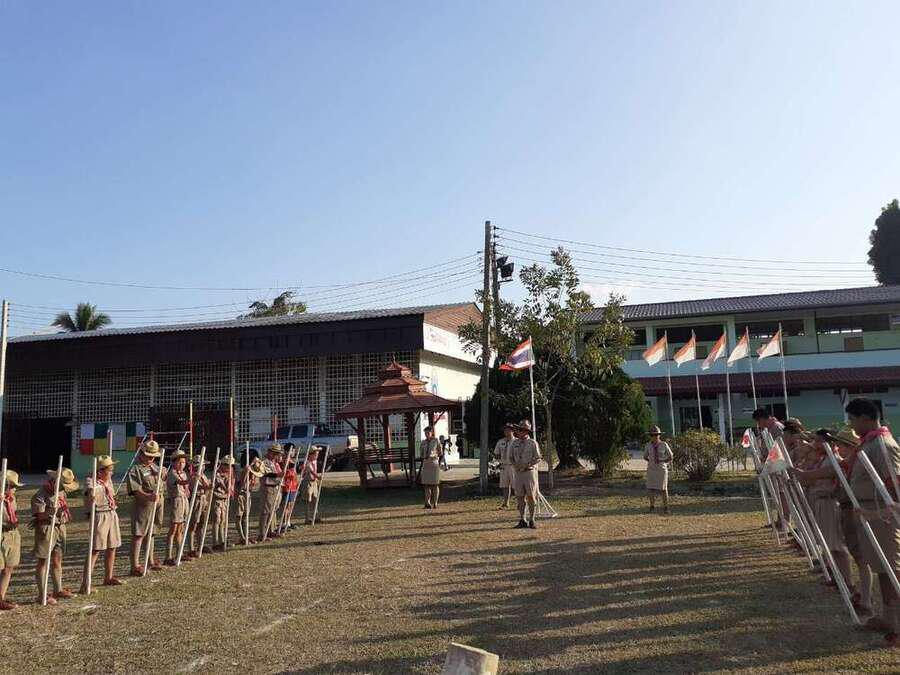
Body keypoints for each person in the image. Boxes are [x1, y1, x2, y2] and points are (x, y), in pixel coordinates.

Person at [792, 428, 873, 617]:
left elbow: (818, 475)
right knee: (846, 550)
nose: (837, 447)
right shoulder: (844, 462)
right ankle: (857, 592)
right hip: (845, 508)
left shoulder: (846, 462)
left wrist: (799, 472)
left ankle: (863, 596)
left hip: (851, 509)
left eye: (841, 444)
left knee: (856, 555)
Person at [844, 398, 900, 646]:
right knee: (881, 568)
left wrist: (886, 513)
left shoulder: (882, 444)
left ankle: (896, 622)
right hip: (869, 512)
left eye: (853, 420)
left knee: (891, 569)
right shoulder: (869, 443)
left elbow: (895, 484)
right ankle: (889, 618)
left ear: (866, 418)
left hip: (882, 515)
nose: (851, 425)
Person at [32, 466, 79, 604]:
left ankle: (58, 590)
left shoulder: (61, 492)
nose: (64, 488)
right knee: (43, 560)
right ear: (54, 481)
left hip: (60, 527)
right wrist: (49, 512)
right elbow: (39, 515)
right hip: (46, 528)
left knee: (57, 559)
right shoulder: (41, 493)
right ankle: (42, 594)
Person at [80, 455, 123, 593]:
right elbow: (88, 490)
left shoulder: (108, 481)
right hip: (99, 515)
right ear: (100, 471)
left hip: (111, 512)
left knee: (112, 546)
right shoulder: (90, 480)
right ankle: (85, 583)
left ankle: (108, 577)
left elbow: (110, 494)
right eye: (110, 470)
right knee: (95, 549)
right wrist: (91, 494)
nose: (112, 473)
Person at [126, 440, 165, 576]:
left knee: (151, 533)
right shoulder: (135, 469)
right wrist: (148, 496)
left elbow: (163, 480)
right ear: (141, 454)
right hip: (143, 504)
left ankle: (150, 560)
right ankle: (135, 565)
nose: (151, 459)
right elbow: (135, 490)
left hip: (158, 502)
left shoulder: (156, 468)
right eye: (148, 456)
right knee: (139, 534)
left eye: (153, 456)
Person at [510, 420, 542, 529]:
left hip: (529, 473)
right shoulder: (514, 443)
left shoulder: (532, 443)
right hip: (518, 473)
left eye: (522, 430)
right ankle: (522, 519)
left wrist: (528, 465)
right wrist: (515, 465)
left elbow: (538, 458)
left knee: (531, 496)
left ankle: (532, 519)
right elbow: (511, 457)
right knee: (519, 497)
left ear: (527, 431)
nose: (519, 432)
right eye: (519, 429)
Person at [1, 469, 23, 610]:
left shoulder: (12, 499)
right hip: (1, 533)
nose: (15, 489)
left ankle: (1, 597)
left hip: (12, 534)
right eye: (13, 486)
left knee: (9, 567)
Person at [164, 450, 190, 565]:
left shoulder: (184, 473)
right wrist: (192, 478)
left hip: (184, 500)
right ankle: (168, 556)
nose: (181, 464)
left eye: (183, 462)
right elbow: (180, 482)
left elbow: (186, 485)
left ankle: (180, 553)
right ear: (174, 462)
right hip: (176, 501)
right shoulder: (172, 474)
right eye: (179, 462)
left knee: (181, 528)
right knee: (173, 529)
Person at [643, 426, 673, 514]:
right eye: (652, 435)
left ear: (659, 435)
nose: (654, 436)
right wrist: (652, 461)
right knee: (650, 488)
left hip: (661, 469)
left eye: (656, 435)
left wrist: (663, 461)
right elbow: (645, 456)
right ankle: (652, 507)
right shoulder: (648, 445)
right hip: (651, 469)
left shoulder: (664, 444)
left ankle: (666, 508)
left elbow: (671, 456)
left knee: (663, 489)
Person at [186, 455, 212, 558]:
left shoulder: (203, 475)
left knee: (201, 524)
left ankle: (201, 545)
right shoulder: (193, 476)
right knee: (193, 525)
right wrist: (206, 485)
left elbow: (207, 488)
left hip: (203, 499)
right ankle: (191, 548)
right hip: (196, 499)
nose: (203, 467)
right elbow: (199, 486)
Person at [258, 444, 284, 542]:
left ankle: (270, 530)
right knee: (265, 511)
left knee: (272, 511)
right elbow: (267, 474)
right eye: (275, 453)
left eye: (277, 454)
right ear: (270, 452)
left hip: (275, 487)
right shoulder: (265, 462)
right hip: (267, 487)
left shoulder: (274, 463)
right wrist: (278, 474)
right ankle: (262, 533)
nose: (276, 455)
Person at [237, 457, 263, 543]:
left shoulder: (253, 476)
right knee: (239, 516)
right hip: (241, 494)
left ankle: (246, 536)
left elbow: (253, 487)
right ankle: (242, 537)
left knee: (246, 516)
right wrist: (247, 473)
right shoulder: (244, 472)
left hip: (248, 494)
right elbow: (241, 485)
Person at [212, 456, 235, 550]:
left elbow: (231, 487)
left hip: (225, 499)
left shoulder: (230, 474)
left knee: (223, 520)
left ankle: (222, 540)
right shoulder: (217, 474)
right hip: (217, 498)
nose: (230, 468)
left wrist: (230, 490)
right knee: (217, 520)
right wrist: (226, 487)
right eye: (228, 465)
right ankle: (215, 542)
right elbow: (219, 483)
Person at [420, 426, 444, 509]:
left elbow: (441, 453)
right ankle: (427, 503)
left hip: (434, 464)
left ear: (431, 433)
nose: (426, 434)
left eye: (428, 433)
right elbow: (421, 453)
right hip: (426, 464)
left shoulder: (436, 441)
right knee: (426, 485)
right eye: (425, 433)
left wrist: (438, 460)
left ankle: (435, 503)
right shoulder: (423, 442)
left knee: (435, 484)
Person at [300, 446, 324, 524]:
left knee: (315, 499)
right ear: (310, 455)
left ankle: (316, 516)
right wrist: (318, 476)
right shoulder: (307, 462)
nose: (317, 456)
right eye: (316, 454)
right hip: (307, 482)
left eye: (317, 454)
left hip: (314, 482)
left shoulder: (315, 461)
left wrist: (316, 478)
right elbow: (311, 471)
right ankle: (307, 518)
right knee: (308, 500)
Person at [494, 423, 516, 510]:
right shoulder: (501, 442)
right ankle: (506, 503)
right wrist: (498, 458)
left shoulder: (516, 441)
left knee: (516, 485)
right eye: (505, 430)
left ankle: (520, 502)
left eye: (508, 430)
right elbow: (496, 453)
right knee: (505, 485)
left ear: (513, 431)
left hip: (513, 466)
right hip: (504, 465)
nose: (506, 432)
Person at [280, 450, 299, 532]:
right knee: (286, 506)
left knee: (290, 505)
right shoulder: (282, 465)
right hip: (286, 488)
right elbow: (284, 474)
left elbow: (295, 475)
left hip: (293, 488)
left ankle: (288, 521)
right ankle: (284, 522)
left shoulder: (292, 464)